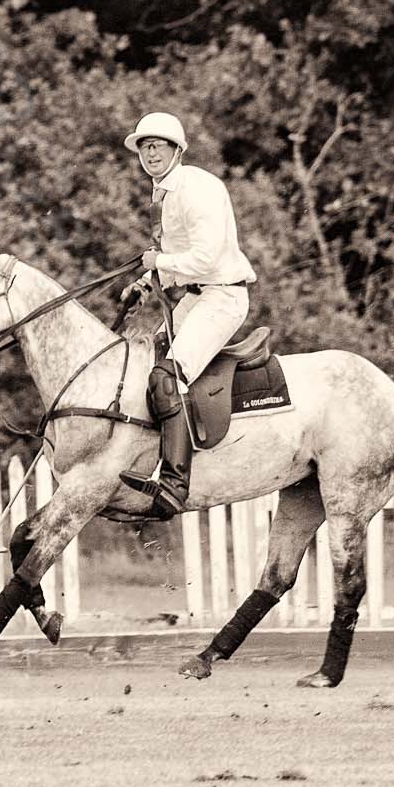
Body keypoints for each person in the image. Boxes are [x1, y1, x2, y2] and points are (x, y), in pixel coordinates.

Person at [114, 111, 257, 518]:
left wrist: (157, 261)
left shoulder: (197, 188)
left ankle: (175, 485)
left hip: (222, 298)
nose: (151, 152)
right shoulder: (167, 191)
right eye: (144, 146)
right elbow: (182, 263)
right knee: (143, 365)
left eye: (158, 145)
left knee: (164, 378)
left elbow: (206, 256)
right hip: (194, 297)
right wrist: (147, 278)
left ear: (178, 150)